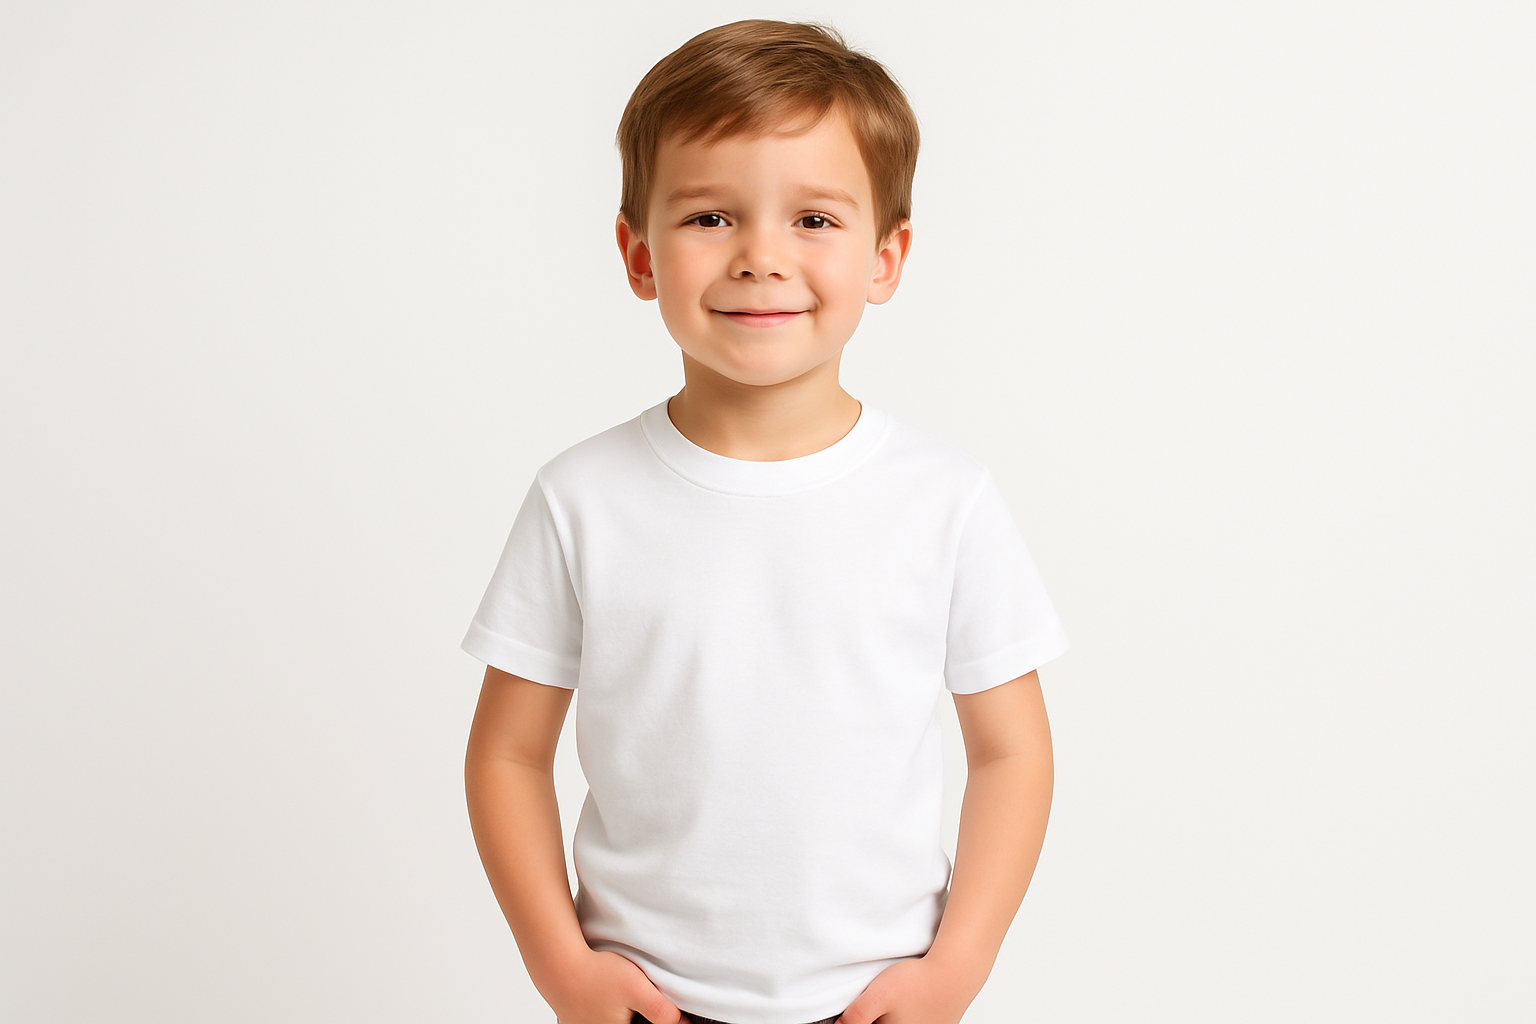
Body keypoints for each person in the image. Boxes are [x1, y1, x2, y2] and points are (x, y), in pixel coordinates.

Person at [461, 19, 1069, 1024]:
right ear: (638, 252)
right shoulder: (583, 496)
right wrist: (560, 965)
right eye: (709, 217)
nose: (760, 257)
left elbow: (1013, 752)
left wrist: (955, 968)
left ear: (887, 256)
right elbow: (507, 754)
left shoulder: (944, 499)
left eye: (815, 221)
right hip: (646, 1000)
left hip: (877, 999)